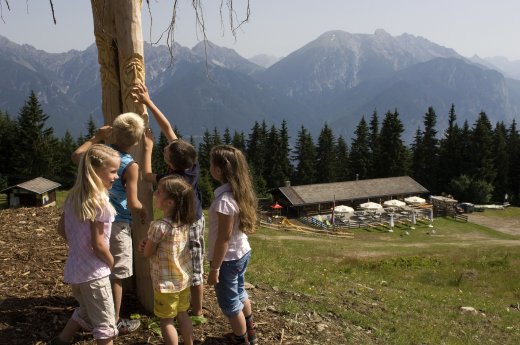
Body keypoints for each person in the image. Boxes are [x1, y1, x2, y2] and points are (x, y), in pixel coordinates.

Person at [133, 83, 207, 325]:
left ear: (171, 162)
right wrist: (148, 102)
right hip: (195, 220)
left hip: (185, 223)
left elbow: (145, 175)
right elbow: (167, 128)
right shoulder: (191, 166)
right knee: (192, 264)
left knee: (192, 269)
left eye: (164, 153)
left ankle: (197, 311)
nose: (163, 151)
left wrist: (147, 148)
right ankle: (193, 309)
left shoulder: (171, 180)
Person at [72, 112, 146, 334]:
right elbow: (132, 201)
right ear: (137, 141)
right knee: (116, 274)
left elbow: (77, 155)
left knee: (97, 268)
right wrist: (144, 213)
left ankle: (91, 313)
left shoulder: (99, 154)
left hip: (92, 218)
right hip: (118, 222)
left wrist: (96, 136)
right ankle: (113, 320)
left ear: (113, 131)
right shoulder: (130, 165)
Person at [50, 144, 120, 345]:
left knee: (87, 310)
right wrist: (111, 261)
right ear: (96, 171)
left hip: (75, 271)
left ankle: (62, 340)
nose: (115, 176)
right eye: (113, 171)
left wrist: (78, 247)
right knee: (106, 326)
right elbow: (98, 244)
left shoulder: (73, 197)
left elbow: (61, 229)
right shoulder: (101, 203)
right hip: (95, 274)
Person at [207, 145, 258, 345]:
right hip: (242, 253)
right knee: (240, 293)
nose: (209, 167)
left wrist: (215, 268)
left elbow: (223, 238)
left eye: (211, 164)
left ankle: (241, 339)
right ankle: (250, 332)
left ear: (218, 170)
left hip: (227, 260)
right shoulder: (239, 193)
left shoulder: (224, 201)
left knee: (230, 305)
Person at [138, 176, 196, 345]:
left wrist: (144, 246)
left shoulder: (159, 226)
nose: (155, 194)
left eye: (159, 192)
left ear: (169, 202)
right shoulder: (184, 223)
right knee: (183, 314)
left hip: (166, 285)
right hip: (183, 281)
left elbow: (148, 252)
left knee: (166, 321)